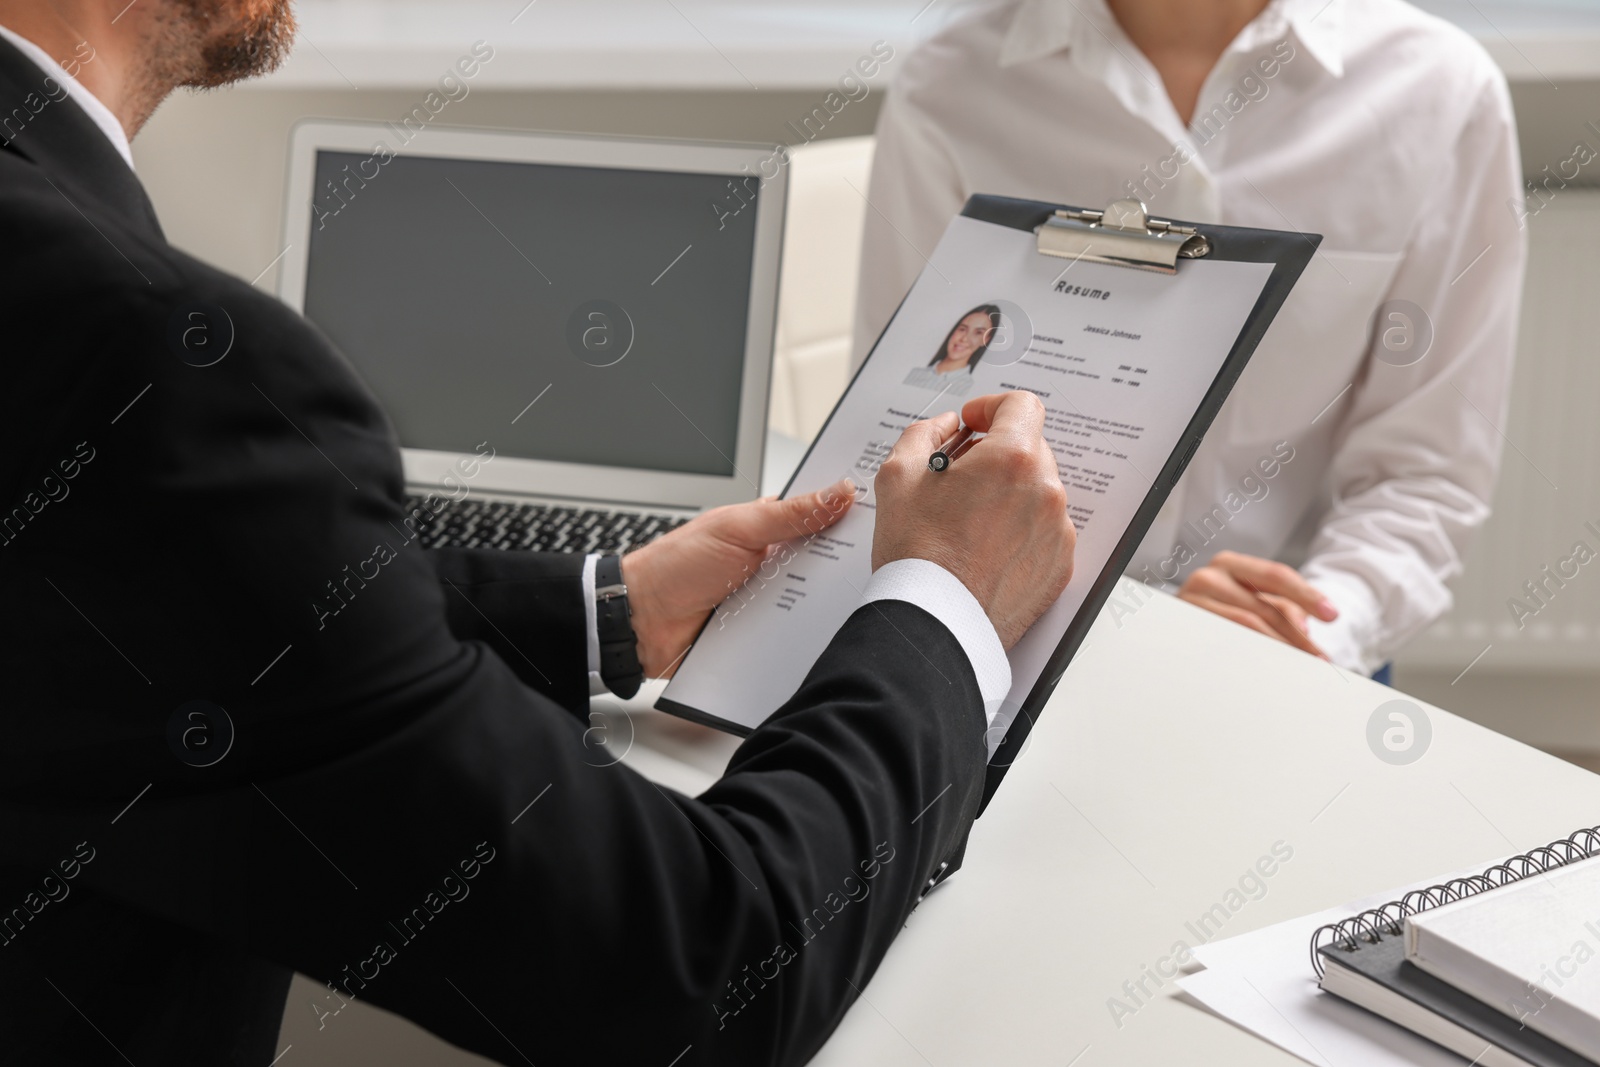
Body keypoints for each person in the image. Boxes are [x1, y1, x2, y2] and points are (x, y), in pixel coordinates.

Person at [0, 1, 1077, 1064]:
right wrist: (944, 593)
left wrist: (606, 605)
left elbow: (126, 615)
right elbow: (700, 969)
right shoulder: (142, 360)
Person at [855, 0, 1525, 675]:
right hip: (1004, 649)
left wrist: (1308, 629)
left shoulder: (1440, 91)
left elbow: (1423, 471)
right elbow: (903, 436)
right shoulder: (947, 86)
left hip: (1293, 649)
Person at [901, 303, 999, 396]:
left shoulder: (969, 388)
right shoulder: (914, 373)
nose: (964, 339)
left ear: (986, 340)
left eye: (978, 333)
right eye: (962, 329)